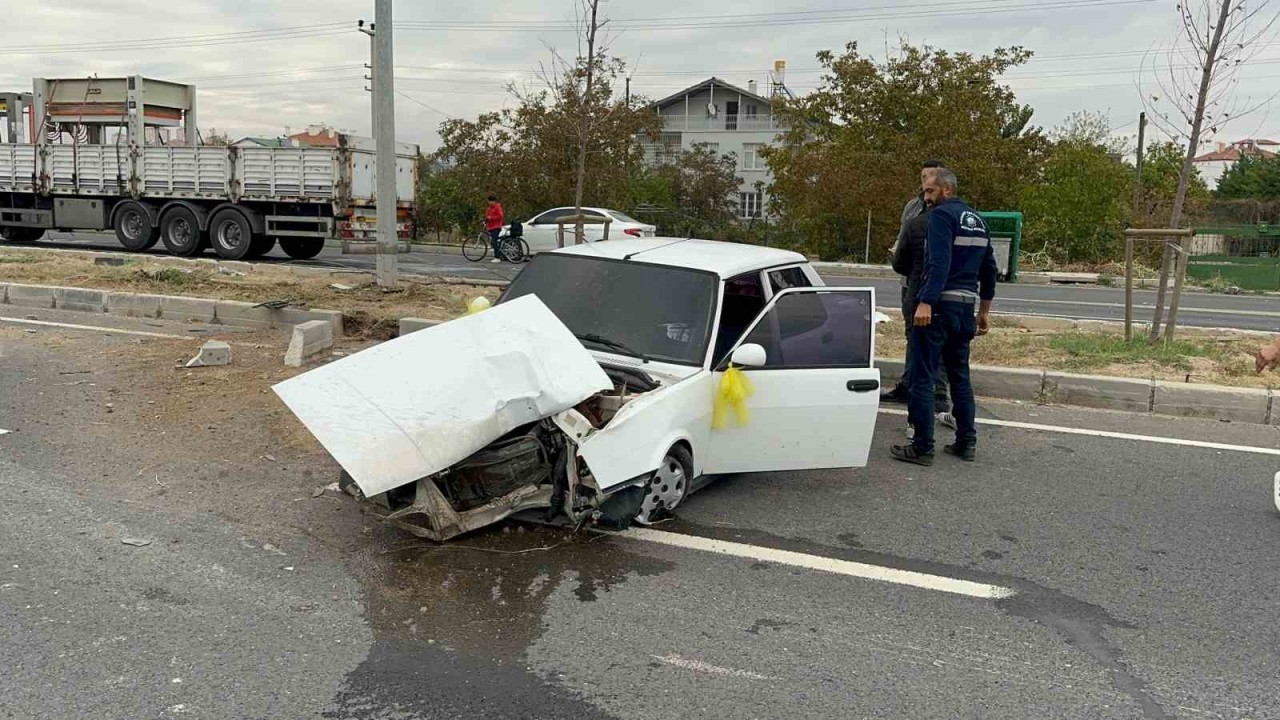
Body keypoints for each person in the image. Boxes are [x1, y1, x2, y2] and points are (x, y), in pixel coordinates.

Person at [891, 168, 997, 466]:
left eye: (929, 191)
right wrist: (984, 311)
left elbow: (938, 263)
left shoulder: (940, 217)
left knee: (923, 376)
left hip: (937, 307)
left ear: (946, 190)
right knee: (959, 377)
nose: (926, 198)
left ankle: (922, 447)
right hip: (965, 308)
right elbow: (989, 269)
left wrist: (925, 302)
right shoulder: (978, 221)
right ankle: (966, 442)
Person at [883, 160, 950, 418]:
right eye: (923, 176)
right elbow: (903, 238)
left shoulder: (948, 211)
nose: (926, 182)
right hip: (909, 283)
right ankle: (907, 385)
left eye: (931, 177)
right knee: (912, 335)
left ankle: (939, 394)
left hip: (935, 287)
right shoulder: (912, 207)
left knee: (937, 341)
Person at [485, 195, 505, 264]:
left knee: (494, 241)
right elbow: (487, 217)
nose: (490, 203)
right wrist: (486, 222)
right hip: (491, 227)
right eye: (489, 201)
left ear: (494, 201)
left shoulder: (497, 207)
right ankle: (500, 254)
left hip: (496, 226)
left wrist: (491, 218)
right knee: (493, 241)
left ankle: (497, 257)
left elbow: (500, 216)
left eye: (491, 201)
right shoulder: (489, 208)